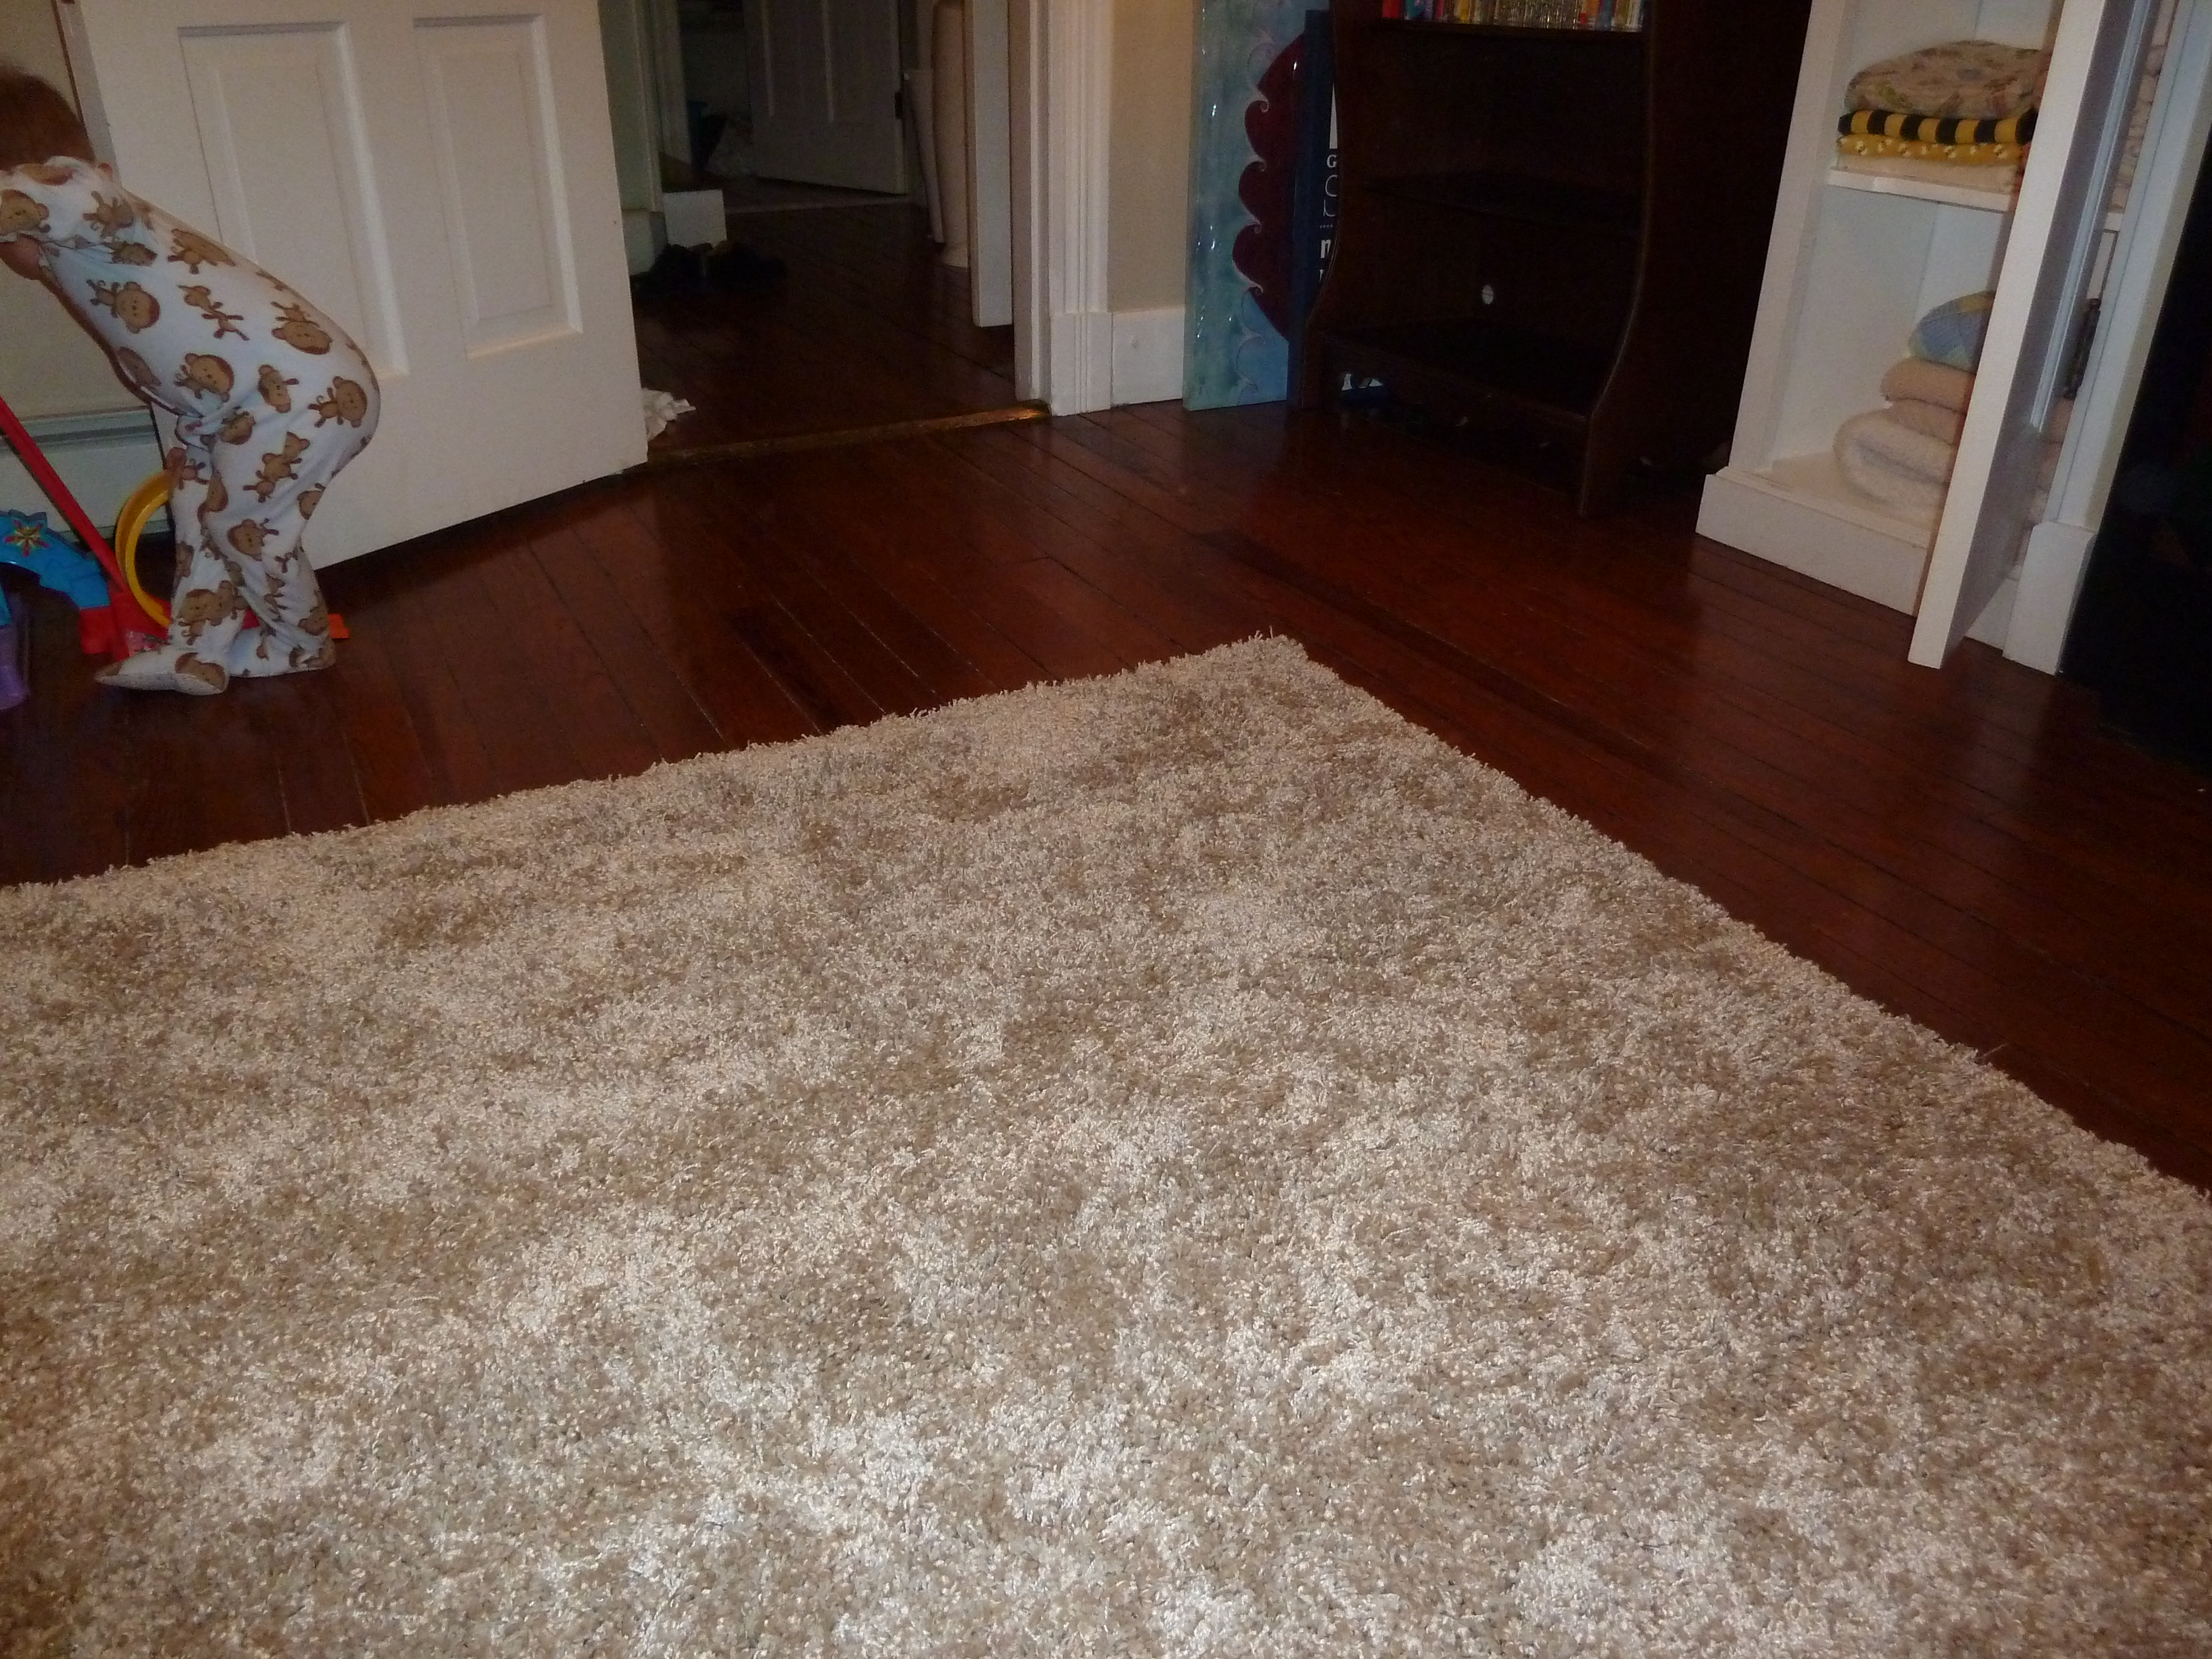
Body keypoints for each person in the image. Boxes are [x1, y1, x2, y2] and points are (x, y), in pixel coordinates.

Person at [0, 64, 377, 694]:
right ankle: (198, 652)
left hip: (300, 395)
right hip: (227, 411)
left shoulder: (94, 206)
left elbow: (54, 195)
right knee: (199, 514)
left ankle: (300, 645)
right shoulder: (74, 241)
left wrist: (30, 196)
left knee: (244, 531)